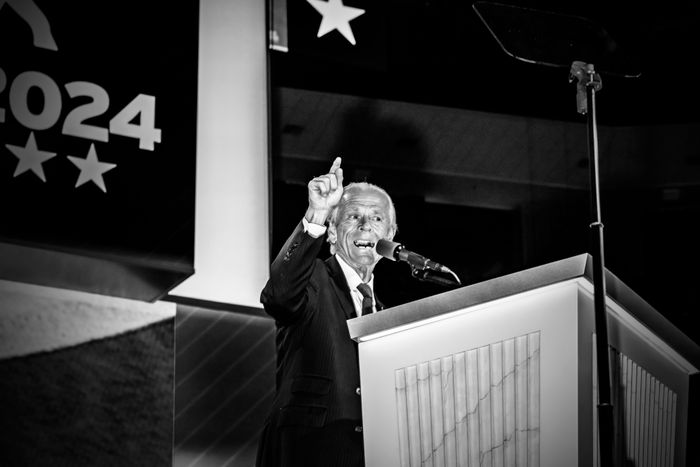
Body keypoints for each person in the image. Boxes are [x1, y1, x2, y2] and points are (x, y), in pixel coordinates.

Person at [256, 156, 398, 467]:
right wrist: (318, 213)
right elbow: (278, 296)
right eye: (352, 217)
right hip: (308, 451)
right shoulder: (315, 278)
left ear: (390, 234)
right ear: (332, 233)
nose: (365, 226)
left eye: (376, 219)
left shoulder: (386, 313)